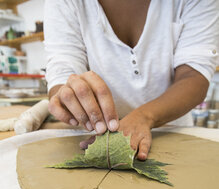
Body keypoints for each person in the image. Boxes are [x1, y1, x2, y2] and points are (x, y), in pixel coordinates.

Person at [44, 0, 219, 160]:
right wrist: (68, 94)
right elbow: (63, 65)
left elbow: (194, 75)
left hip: (173, 133)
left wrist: (144, 117)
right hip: (98, 138)